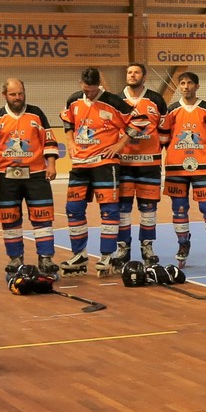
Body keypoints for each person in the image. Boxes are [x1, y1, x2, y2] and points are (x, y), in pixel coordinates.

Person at [57, 68, 132, 275]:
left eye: (92, 90)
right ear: (80, 83)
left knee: (109, 211)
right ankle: (79, 254)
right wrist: (70, 142)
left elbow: (139, 122)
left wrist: (119, 145)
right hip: (80, 164)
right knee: (73, 208)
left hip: (105, 165)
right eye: (85, 89)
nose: (88, 93)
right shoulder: (74, 100)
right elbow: (67, 120)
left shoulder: (114, 102)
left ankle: (107, 255)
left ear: (99, 85)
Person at [0, 78, 60, 277]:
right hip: (5, 178)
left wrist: (51, 164)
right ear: (4, 95)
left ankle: (46, 258)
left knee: (43, 218)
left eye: (20, 93)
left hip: (36, 176)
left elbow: (49, 141)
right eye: (13, 94)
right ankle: (15, 259)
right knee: (9, 219)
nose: (17, 97)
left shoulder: (37, 114)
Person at [159, 71, 206, 268]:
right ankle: (183, 244)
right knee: (179, 209)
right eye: (182, 83)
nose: (185, 86)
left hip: (202, 167)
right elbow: (163, 137)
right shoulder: (172, 110)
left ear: (197, 86)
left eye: (189, 83)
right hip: (176, 168)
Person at [115, 63, 167, 266]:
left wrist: (155, 148)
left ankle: (147, 247)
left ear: (144, 77)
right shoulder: (116, 100)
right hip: (124, 164)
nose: (132, 75)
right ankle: (123, 248)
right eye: (129, 72)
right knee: (123, 208)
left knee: (148, 208)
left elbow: (164, 131)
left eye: (136, 72)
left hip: (150, 164)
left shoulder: (156, 100)